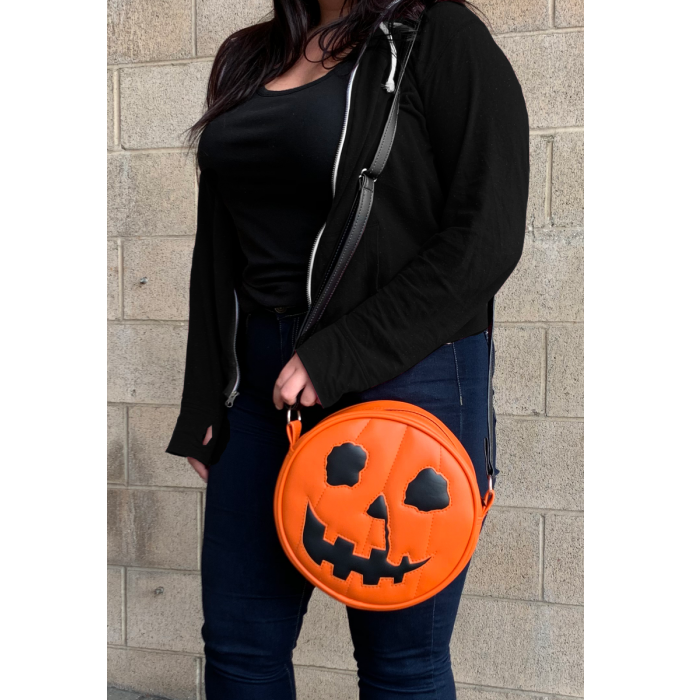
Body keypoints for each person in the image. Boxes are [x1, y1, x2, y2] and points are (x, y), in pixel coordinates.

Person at [166, 1, 530, 697]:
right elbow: (219, 245)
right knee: (240, 650)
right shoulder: (251, 53)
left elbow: (486, 237)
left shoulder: (441, 40)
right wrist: (204, 395)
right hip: (263, 390)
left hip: (404, 376)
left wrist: (341, 353)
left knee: (401, 666)